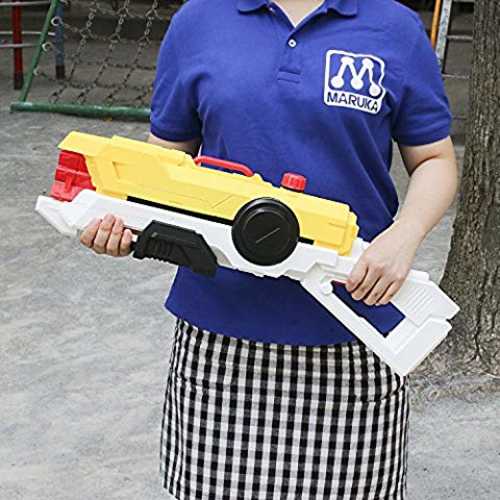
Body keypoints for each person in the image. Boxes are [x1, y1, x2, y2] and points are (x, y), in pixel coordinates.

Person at [79, 0, 459, 498]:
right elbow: (163, 165)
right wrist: (121, 221)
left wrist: (404, 235)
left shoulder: (395, 27)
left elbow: (434, 158)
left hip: (354, 326)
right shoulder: (199, 21)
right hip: (219, 336)